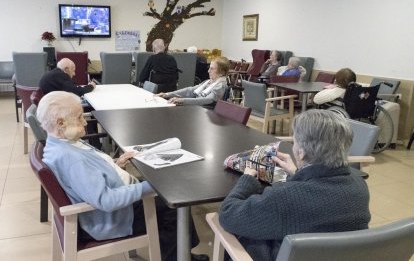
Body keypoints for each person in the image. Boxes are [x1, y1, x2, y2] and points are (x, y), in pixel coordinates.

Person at [37, 91, 209, 261]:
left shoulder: (60, 144)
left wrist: (114, 164)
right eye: (79, 117)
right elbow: (105, 200)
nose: (84, 121)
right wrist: (153, 185)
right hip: (112, 218)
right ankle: (179, 257)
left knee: (164, 193)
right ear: (60, 122)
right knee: (173, 204)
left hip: (116, 199)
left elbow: (89, 175)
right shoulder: (71, 159)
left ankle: (181, 253)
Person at [219, 109, 371, 261]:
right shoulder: (360, 186)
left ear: (301, 152)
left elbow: (227, 214)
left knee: (245, 236)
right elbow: (321, 200)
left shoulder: (284, 197)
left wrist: (247, 178)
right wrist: (298, 173)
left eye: (295, 142)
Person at [156, 56, 229, 106]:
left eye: (212, 69)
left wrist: (182, 100)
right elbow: (190, 90)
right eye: (209, 68)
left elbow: (208, 100)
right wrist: (168, 94)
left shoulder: (220, 85)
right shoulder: (209, 82)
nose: (208, 71)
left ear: (222, 72)